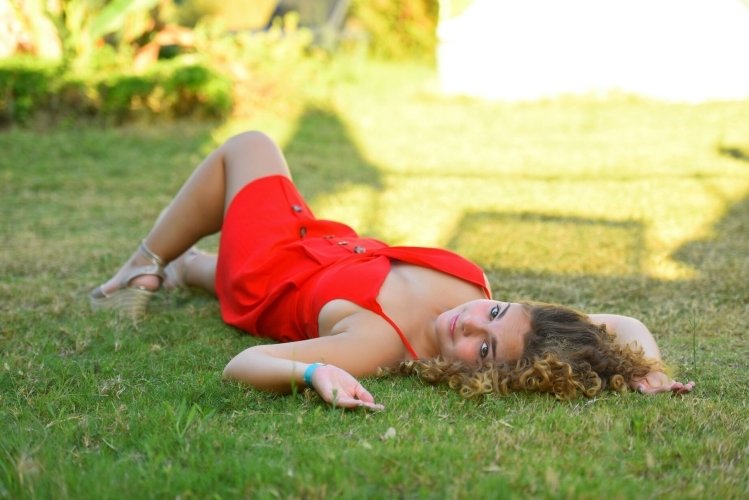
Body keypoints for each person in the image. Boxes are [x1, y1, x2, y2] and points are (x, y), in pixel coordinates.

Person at [90, 131, 695, 410]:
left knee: (250, 147)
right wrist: (647, 371)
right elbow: (623, 323)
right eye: (495, 313)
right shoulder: (478, 291)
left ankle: (145, 265)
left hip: (268, 270)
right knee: (220, 244)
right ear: (514, 306)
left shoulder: (380, 344)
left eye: (484, 350)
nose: (469, 323)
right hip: (326, 245)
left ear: (484, 378)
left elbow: (241, 364)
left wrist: (312, 372)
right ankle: (186, 268)